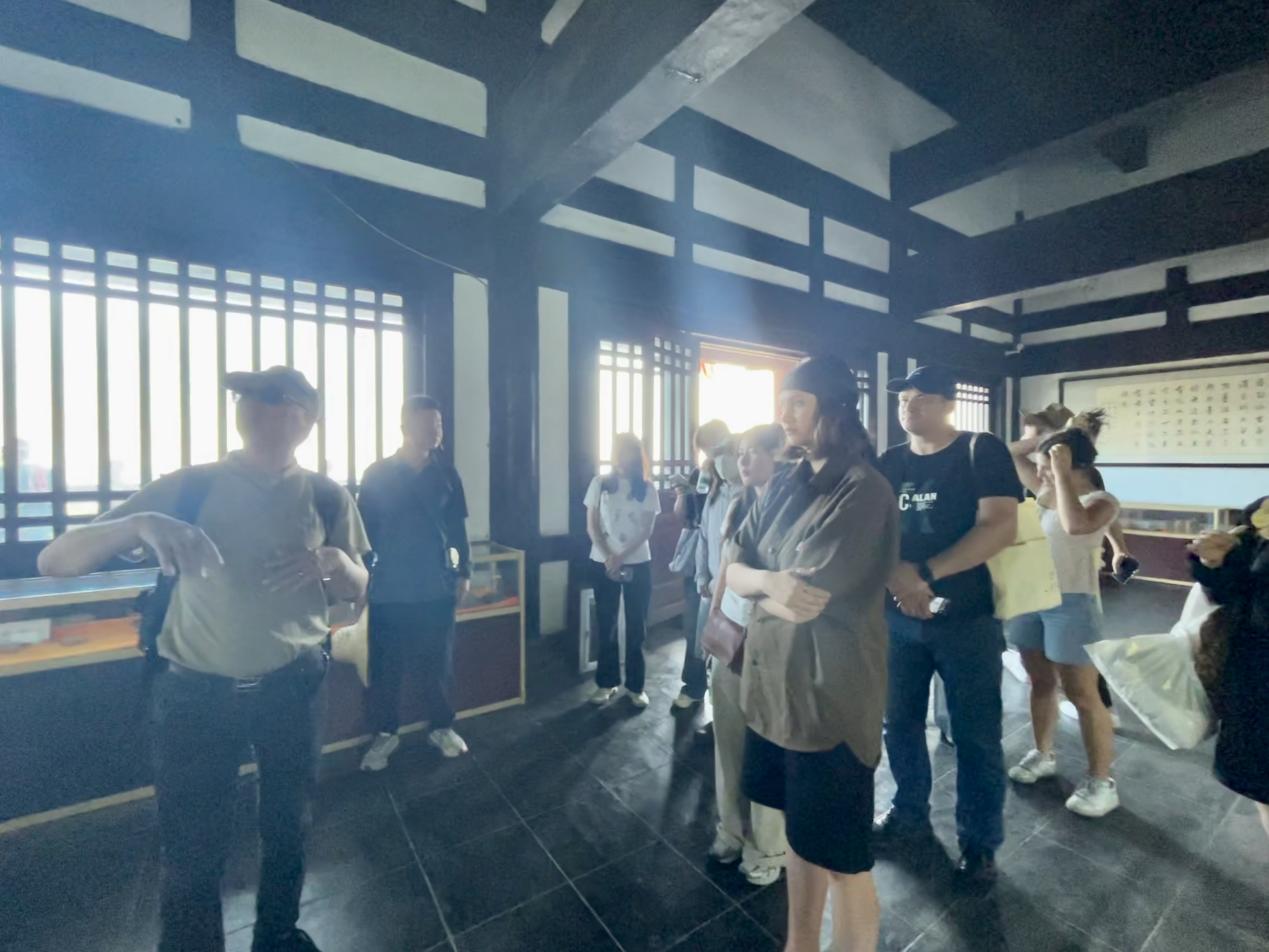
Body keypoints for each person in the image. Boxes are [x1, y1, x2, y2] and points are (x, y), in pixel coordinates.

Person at [37, 366, 370, 952]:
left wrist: (335, 563)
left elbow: (360, 588)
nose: (253, 405)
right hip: (195, 694)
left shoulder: (326, 495)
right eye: (246, 396)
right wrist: (140, 523)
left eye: (272, 397)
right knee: (192, 847)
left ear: (306, 419)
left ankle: (278, 935)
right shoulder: (188, 488)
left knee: (289, 827)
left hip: (295, 686)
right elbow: (54, 561)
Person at [726, 358, 898, 952]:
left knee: (844, 860)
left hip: (829, 697)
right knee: (802, 838)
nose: (784, 415)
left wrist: (762, 582)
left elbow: (806, 595)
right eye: (783, 402)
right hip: (775, 688)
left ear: (835, 410)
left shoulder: (865, 490)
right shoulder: (786, 481)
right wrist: (765, 581)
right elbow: (734, 566)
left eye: (798, 402)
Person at [874, 365, 1022, 888]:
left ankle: (979, 842)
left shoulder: (981, 451)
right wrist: (898, 578)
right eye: (903, 399)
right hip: (897, 617)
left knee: (976, 735)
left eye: (921, 398)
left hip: (967, 620)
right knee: (899, 722)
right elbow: (869, 529)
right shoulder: (889, 462)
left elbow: (999, 525)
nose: (908, 407)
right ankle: (908, 811)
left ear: (947, 404)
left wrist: (924, 574)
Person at [1004, 414, 1122, 817]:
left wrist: (1057, 467)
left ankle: (1101, 780)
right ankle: (1043, 753)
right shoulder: (1047, 491)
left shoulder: (1102, 502)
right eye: (1040, 469)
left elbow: (1075, 526)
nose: (1039, 475)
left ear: (1074, 466)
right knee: (1040, 682)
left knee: (1083, 695)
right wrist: (1050, 441)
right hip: (1031, 597)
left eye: (1047, 468)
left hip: (1072, 603)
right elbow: (1009, 453)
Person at [357, 395, 472, 771]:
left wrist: (464, 571)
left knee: (438, 661)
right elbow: (364, 533)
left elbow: (457, 530)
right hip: (389, 587)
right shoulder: (377, 474)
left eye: (438, 424)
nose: (435, 431)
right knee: (386, 665)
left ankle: (441, 727)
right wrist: (361, 580)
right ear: (405, 427)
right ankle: (385, 733)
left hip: (435, 584)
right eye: (427, 424)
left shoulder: (447, 474)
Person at [706, 424, 789, 886]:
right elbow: (725, 568)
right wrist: (713, 621)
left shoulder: (795, 509)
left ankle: (769, 845)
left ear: (780, 455)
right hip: (733, 637)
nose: (744, 460)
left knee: (767, 744)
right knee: (729, 741)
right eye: (741, 452)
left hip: (773, 643)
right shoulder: (738, 505)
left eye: (755, 451)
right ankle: (730, 829)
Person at [1188, 498, 1269, 841]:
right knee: (1262, 785)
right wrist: (1216, 562)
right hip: (1257, 677)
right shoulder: (1261, 515)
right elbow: (1235, 591)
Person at [586, 433, 661, 707]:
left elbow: (647, 530)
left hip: (638, 562)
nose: (621, 458)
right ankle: (606, 683)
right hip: (602, 561)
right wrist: (609, 556)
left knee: (636, 625)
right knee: (606, 623)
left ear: (637, 456)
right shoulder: (600, 484)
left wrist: (622, 556)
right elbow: (592, 526)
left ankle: (635, 686)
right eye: (618, 451)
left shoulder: (647, 489)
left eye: (627, 452)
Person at [672, 419, 731, 709]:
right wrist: (684, 493)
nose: (710, 454)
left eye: (713, 447)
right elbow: (691, 520)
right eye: (706, 449)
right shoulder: (702, 473)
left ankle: (724, 697)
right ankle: (694, 685)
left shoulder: (736, 479)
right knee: (694, 627)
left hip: (728, 570)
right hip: (701, 560)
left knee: (728, 634)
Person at [681, 436, 741, 710]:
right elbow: (703, 537)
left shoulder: (748, 495)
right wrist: (703, 577)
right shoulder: (713, 495)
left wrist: (722, 581)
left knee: (730, 652)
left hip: (736, 589)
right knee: (702, 642)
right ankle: (698, 691)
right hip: (710, 584)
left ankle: (726, 713)